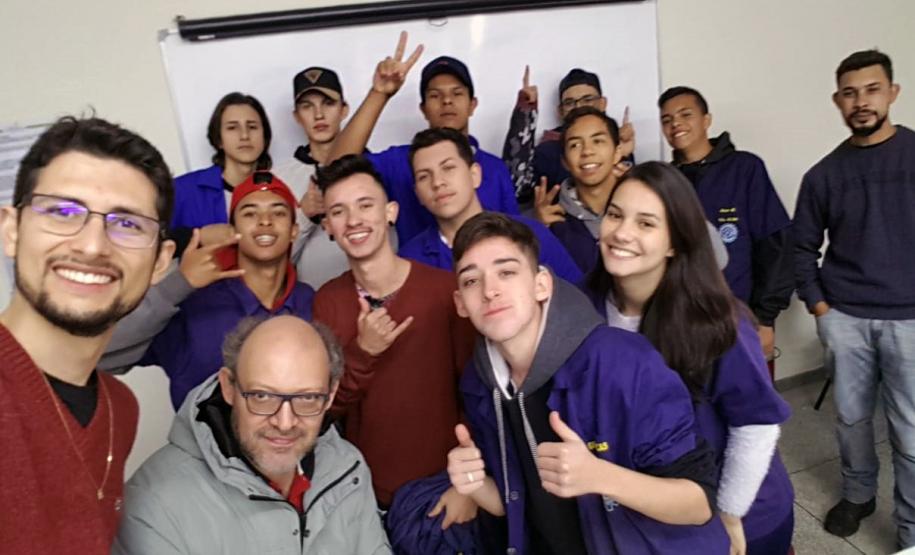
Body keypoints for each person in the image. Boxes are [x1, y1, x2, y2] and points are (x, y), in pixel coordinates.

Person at [446, 212, 730, 553]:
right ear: (461, 303)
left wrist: (600, 476)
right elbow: (524, 506)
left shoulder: (623, 364)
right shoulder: (480, 386)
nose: (490, 291)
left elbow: (698, 503)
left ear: (541, 284)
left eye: (507, 272)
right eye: (472, 281)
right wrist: (476, 485)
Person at [584, 161, 794, 554]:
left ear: (675, 242)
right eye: (615, 215)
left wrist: (728, 513)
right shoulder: (588, 309)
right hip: (662, 509)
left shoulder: (716, 320)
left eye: (646, 223)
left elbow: (757, 425)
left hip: (743, 513)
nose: (622, 233)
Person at [0, 116, 175, 553]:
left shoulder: (119, 408)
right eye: (62, 212)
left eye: (128, 224)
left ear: (159, 262)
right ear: (12, 230)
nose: (93, 245)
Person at [113, 315, 391, 554]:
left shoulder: (348, 467)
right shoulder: (152, 503)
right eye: (261, 395)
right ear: (228, 387)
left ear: (330, 396)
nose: (285, 423)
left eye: (307, 398)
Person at [794, 49, 915, 548]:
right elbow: (800, 249)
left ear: (892, 92)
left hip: (910, 318)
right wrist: (823, 309)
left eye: (870, 90)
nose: (860, 101)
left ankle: (911, 528)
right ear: (837, 101)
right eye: (849, 93)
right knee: (851, 418)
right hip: (846, 317)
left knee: (911, 433)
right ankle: (859, 494)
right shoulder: (823, 175)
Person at [312, 155, 475, 518]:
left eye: (365, 205)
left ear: (391, 212)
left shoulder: (443, 291)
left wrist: (469, 486)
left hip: (444, 491)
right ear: (328, 227)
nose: (353, 220)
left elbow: (477, 395)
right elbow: (323, 409)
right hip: (364, 496)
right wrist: (363, 352)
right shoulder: (328, 301)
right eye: (338, 212)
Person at [101, 172, 314, 409]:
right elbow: (101, 352)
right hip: (203, 445)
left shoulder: (312, 302)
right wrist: (178, 284)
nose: (265, 221)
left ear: (294, 230)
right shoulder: (193, 304)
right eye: (250, 213)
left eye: (278, 212)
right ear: (233, 230)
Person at [328, 32, 519, 244]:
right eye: (435, 95)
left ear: (472, 104)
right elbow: (335, 168)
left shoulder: (495, 168)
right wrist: (379, 93)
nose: (447, 101)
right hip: (420, 271)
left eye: (456, 94)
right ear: (423, 108)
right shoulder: (399, 161)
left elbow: (514, 237)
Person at [658, 86, 793, 359]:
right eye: (667, 120)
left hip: (741, 316)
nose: (676, 125)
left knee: (747, 395)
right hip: (683, 320)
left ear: (706, 120)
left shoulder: (745, 168)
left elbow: (775, 244)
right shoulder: (666, 182)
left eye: (685, 114)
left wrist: (765, 318)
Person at [400, 127, 582, 283]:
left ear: (475, 175)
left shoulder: (529, 234)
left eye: (448, 168)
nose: (437, 182)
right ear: (418, 194)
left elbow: (581, 303)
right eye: (424, 176)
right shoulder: (409, 261)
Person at [502, 67, 633, 205]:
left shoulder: (616, 143)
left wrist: (624, 158)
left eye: (587, 99)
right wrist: (525, 116)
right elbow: (517, 189)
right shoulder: (549, 150)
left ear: (602, 103)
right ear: (561, 111)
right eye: (570, 103)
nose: (579, 107)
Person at [272, 67, 352, 288]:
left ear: (344, 110)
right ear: (296, 116)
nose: (319, 115)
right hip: (312, 304)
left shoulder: (374, 168)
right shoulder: (278, 180)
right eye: (307, 106)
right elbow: (269, 263)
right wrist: (304, 215)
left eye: (328, 103)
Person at [169, 92, 272, 252]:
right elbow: (150, 241)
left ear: (264, 137)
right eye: (232, 128)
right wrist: (198, 236)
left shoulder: (279, 189)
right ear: (218, 139)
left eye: (252, 127)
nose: (244, 136)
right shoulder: (182, 190)